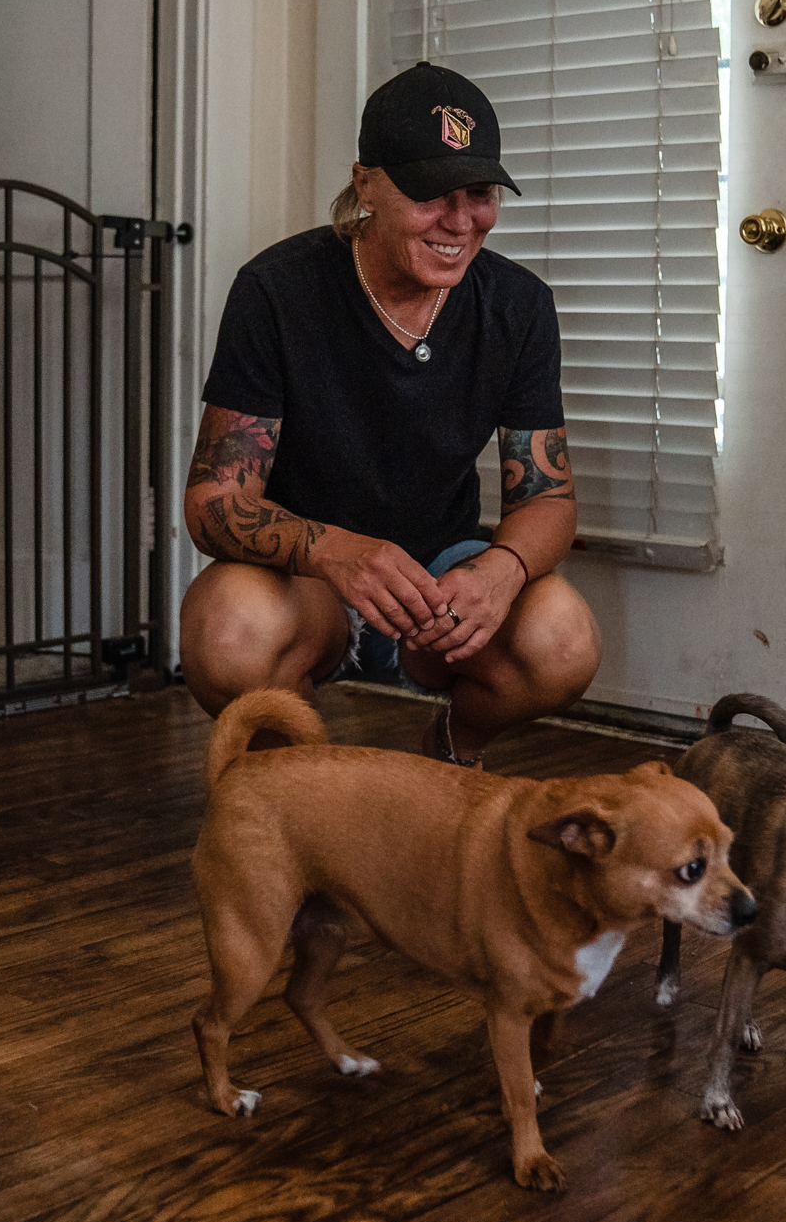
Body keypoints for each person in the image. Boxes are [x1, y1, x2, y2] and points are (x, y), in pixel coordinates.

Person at [179, 62, 601, 766]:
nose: (461, 221)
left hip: (441, 582)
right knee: (225, 631)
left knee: (565, 640)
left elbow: (548, 496)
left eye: (480, 194)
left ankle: (448, 751)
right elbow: (213, 503)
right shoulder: (276, 291)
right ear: (367, 184)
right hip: (308, 583)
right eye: (432, 194)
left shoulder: (519, 306)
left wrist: (500, 569)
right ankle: (304, 791)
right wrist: (338, 552)